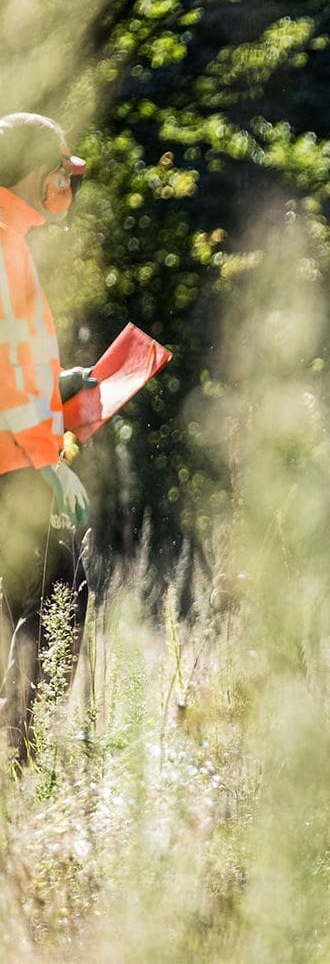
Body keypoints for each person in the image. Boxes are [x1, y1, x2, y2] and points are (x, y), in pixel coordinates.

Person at [0, 112, 94, 762]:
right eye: (65, 173)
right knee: (53, 611)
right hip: (12, 473)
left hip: (19, 463)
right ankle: (20, 764)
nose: (67, 186)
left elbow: (15, 367)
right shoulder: (3, 244)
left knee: (43, 609)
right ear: (41, 174)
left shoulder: (13, 240)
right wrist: (45, 465)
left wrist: (64, 386)